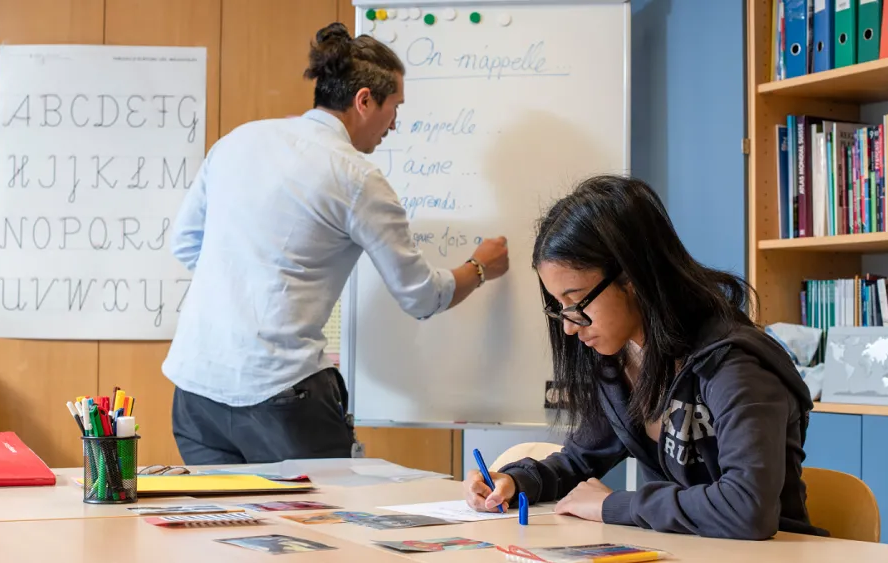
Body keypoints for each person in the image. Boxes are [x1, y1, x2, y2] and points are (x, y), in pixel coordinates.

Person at [162, 22, 509, 465]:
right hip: (280, 397)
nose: (395, 124)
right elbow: (421, 296)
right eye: (394, 107)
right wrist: (479, 267)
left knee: (228, 529)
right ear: (364, 100)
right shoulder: (357, 177)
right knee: (322, 525)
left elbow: (187, 244)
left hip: (195, 394)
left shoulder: (238, 140)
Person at [462, 175, 827, 541]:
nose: (570, 327)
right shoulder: (620, 357)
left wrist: (616, 506)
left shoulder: (734, 365)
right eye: (560, 307)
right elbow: (580, 459)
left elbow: (747, 509)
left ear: (632, 278)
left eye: (577, 302)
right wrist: (514, 480)